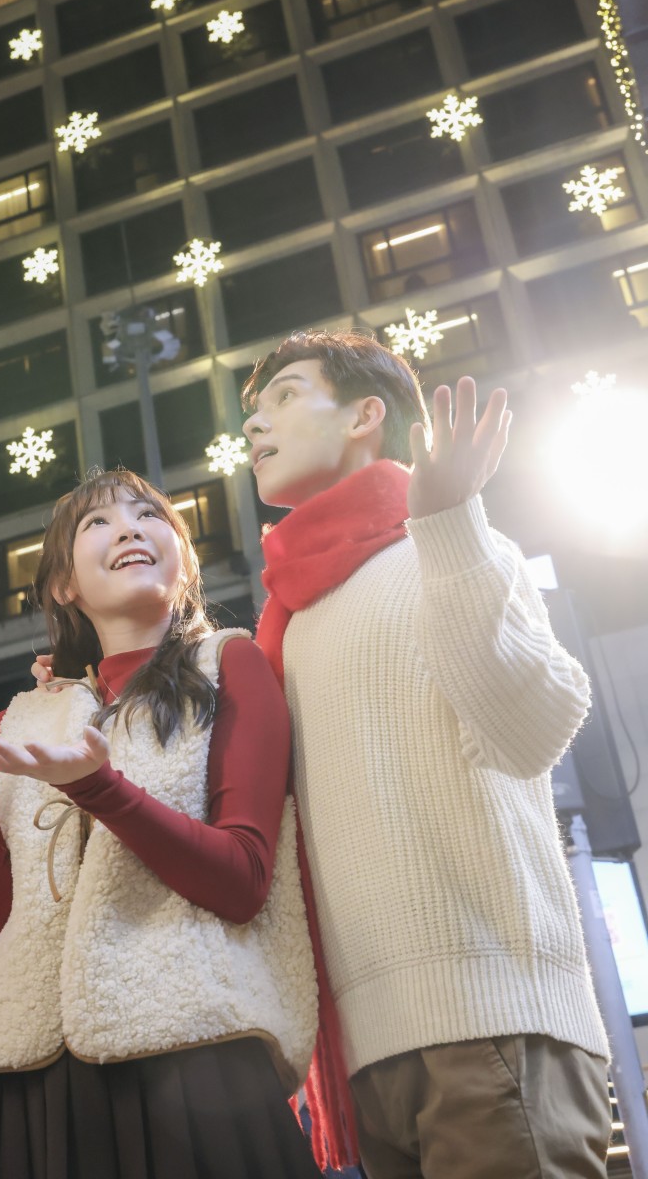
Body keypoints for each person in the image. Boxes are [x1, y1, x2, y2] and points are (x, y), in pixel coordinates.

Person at [0, 469, 320, 1179]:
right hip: (33, 1085)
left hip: (196, 1059)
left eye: (148, 515)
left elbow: (243, 879)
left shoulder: (231, 664)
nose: (130, 528)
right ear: (64, 583)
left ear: (183, 558)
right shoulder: (22, 719)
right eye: (98, 523)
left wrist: (97, 788)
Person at [237, 329, 611, 1179]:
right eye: (251, 415)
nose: (256, 428)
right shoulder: (286, 623)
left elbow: (530, 730)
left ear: (369, 415)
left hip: (496, 1025)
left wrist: (448, 522)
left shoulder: (454, 549)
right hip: (366, 1055)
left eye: (285, 396)